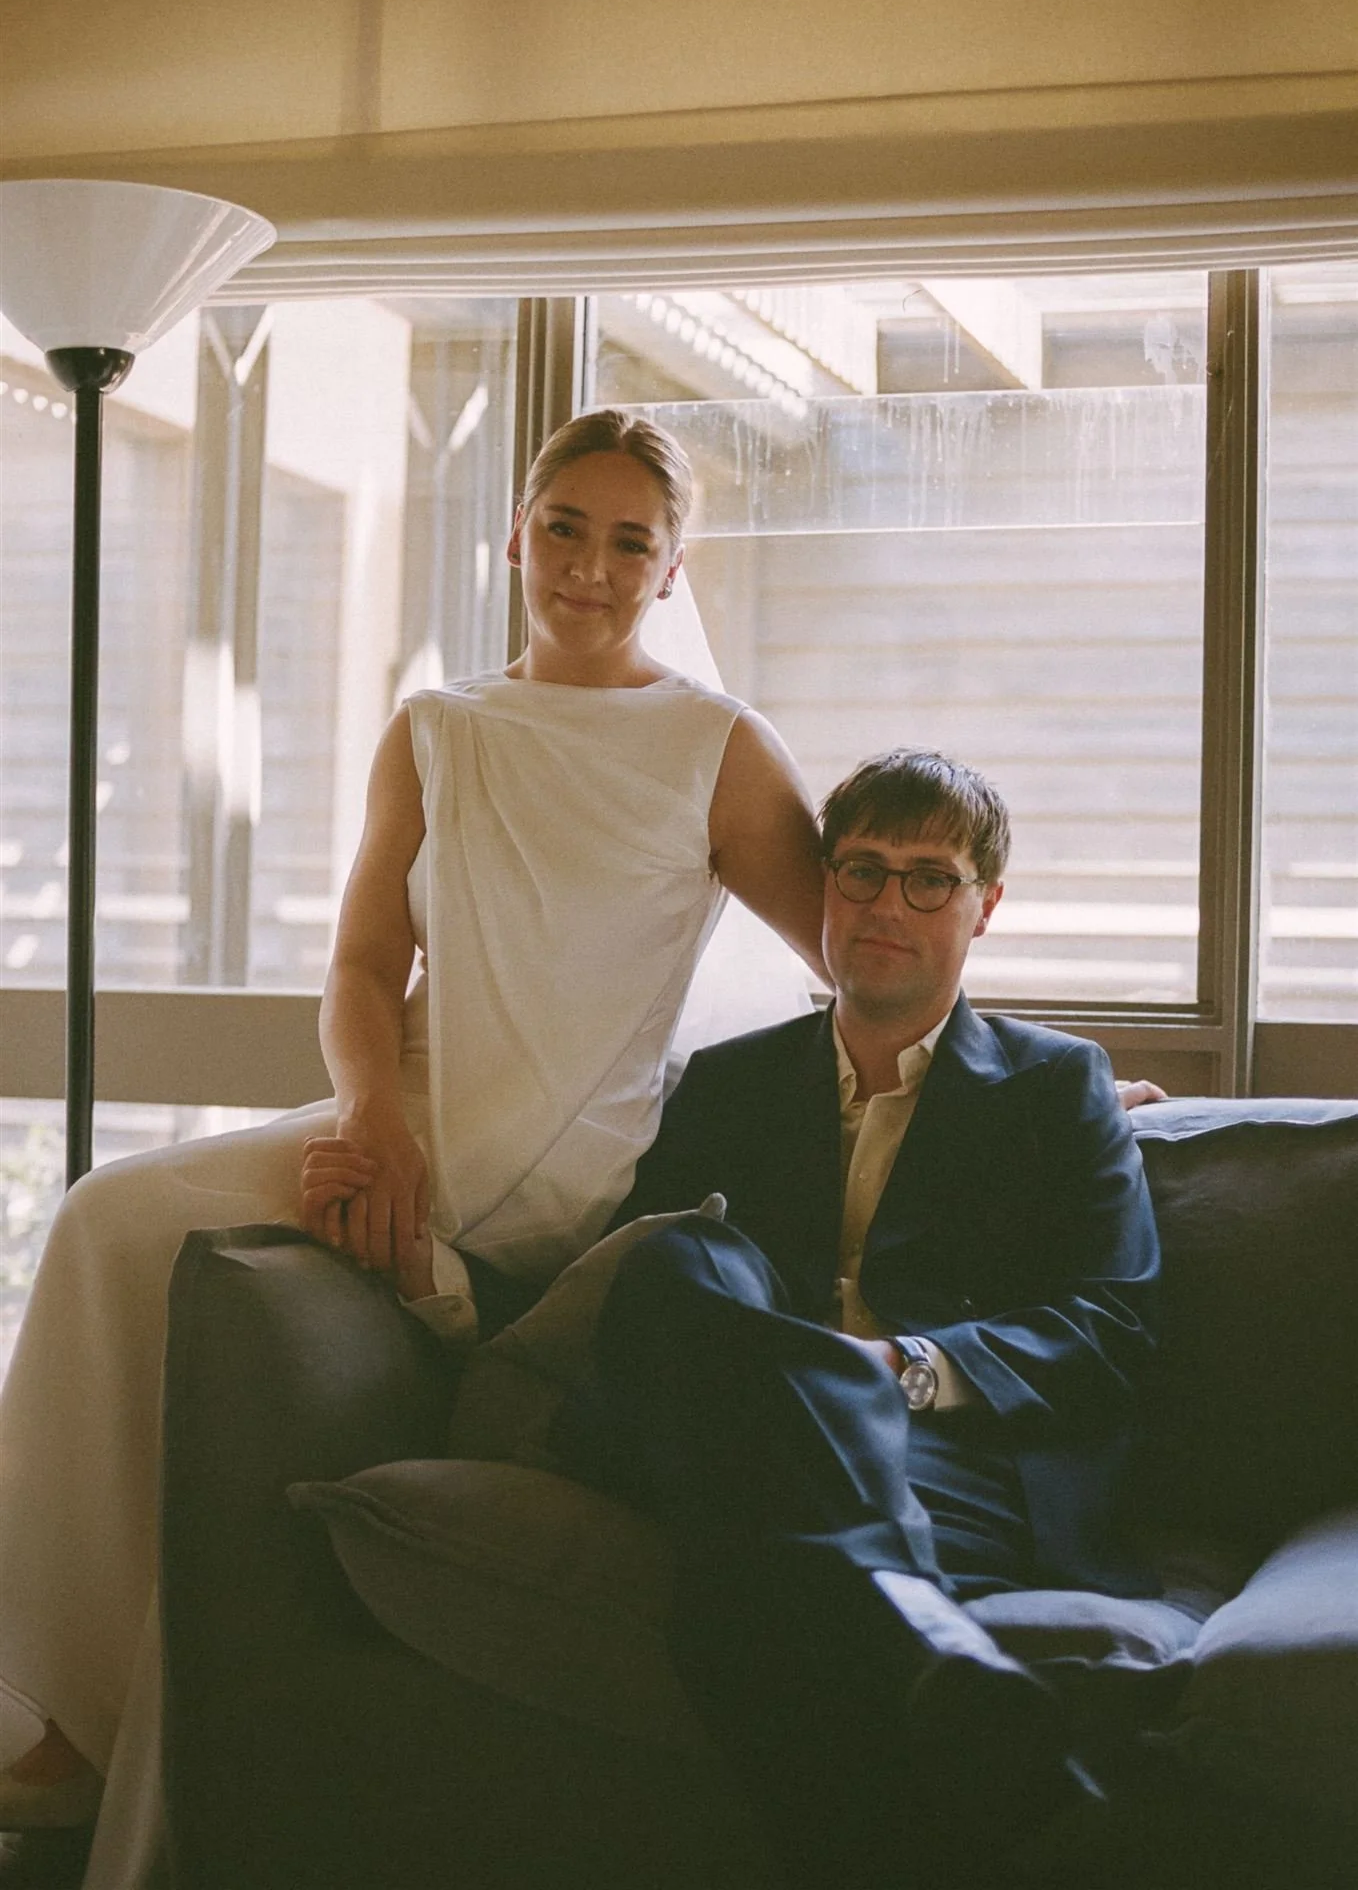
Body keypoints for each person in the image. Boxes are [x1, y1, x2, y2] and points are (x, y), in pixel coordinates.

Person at [0, 409, 828, 1885]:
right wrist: (370, 1120)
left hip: (566, 1158)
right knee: (108, 1226)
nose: (587, 564)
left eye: (628, 538)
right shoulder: (438, 726)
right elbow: (365, 969)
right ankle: (63, 1718)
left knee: (120, 1233)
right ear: (514, 536)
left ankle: (80, 1730)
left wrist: (1057, 1074)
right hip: (409, 1110)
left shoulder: (713, 745)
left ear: (671, 563)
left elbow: (863, 945)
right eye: (561, 527)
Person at [591, 747, 1163, 1887]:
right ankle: (930, 1649)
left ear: (982, 906)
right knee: (678, 1257)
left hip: (942, 1447)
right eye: (859, 870)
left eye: (927, 878)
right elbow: (646, 1322)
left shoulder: (1056, 1087)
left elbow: (1111, 1327)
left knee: (744, 1587)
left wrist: (898, 1366)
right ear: (821, 890)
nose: (885, 903)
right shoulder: (725, 1082)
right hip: (748, 1420)